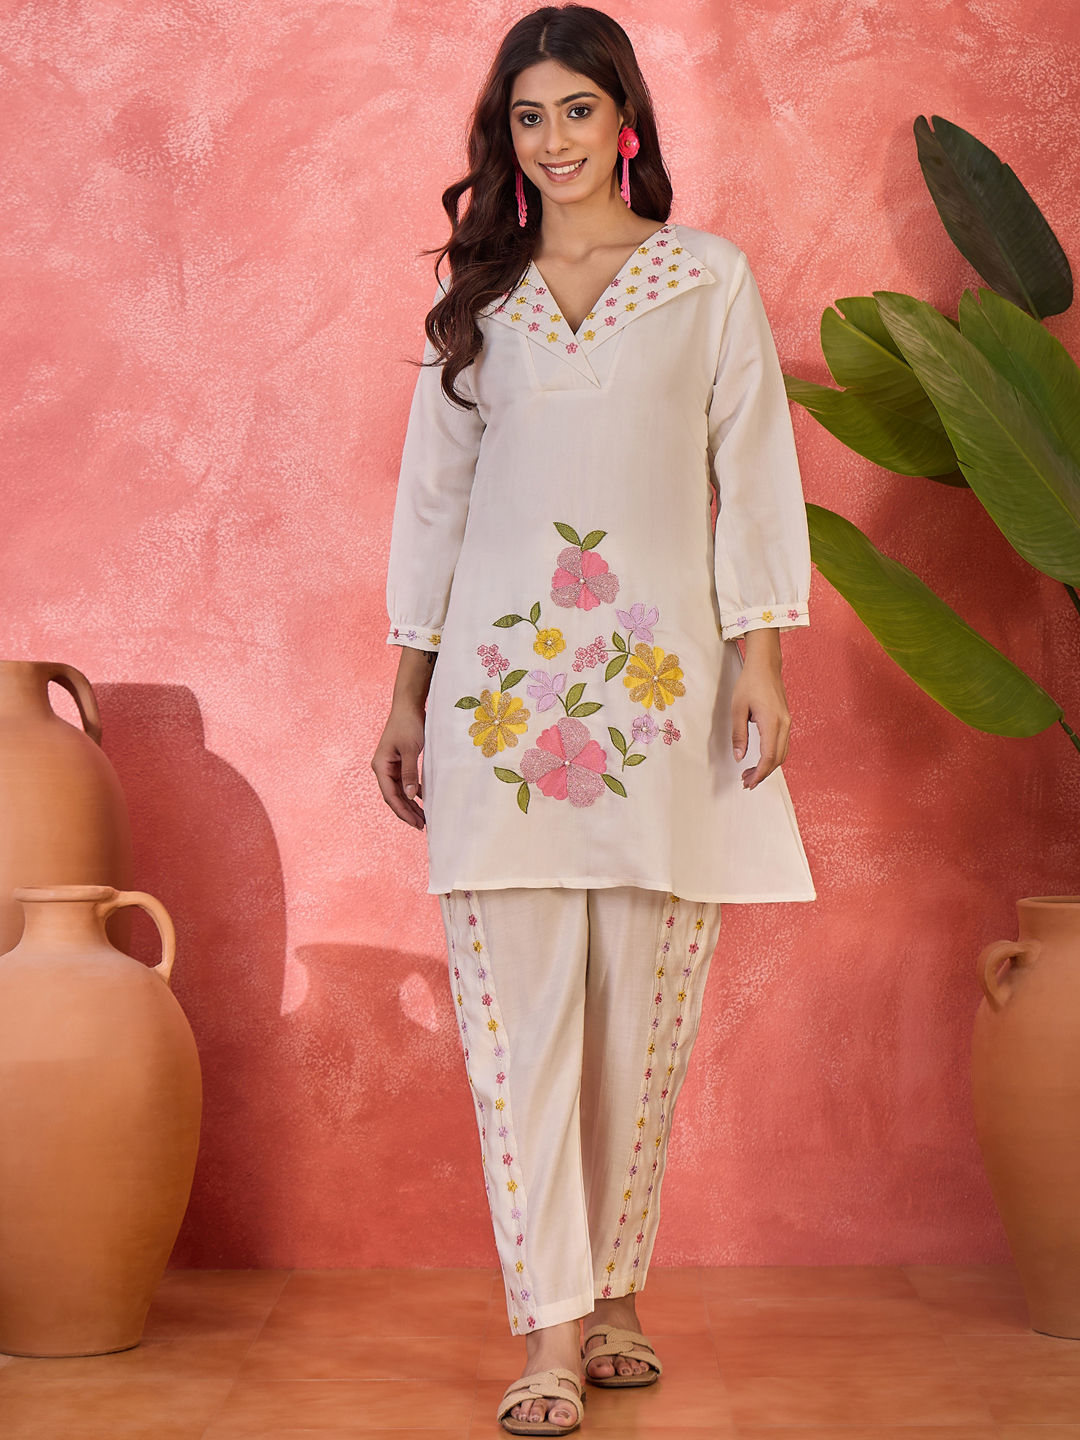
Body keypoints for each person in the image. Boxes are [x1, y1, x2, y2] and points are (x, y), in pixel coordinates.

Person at [372, 5, 816, 1432]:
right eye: (528, 117)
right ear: (502, 138)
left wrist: (761, 660)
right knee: (519, 1032)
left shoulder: (705, 280)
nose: (553, 139)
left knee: (642, 1018)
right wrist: (406, 689)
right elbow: (432, 505)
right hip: (500, 713)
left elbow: (753, 474)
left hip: (661, 703)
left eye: (577, 109)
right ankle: (551, 1333)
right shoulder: (482, 301)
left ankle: (616, 1291)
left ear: (625, 121)